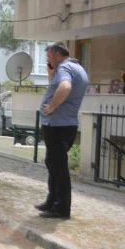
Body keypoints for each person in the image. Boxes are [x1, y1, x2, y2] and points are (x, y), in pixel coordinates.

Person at [36, 42, 88, 220]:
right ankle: (52, 201)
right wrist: (52, 74)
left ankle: (61, 208)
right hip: (66, 124)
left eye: (50, 56)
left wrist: (51, 106)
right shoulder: (77, 67)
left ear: (58, 54)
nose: (48, 59)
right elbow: (59, 85)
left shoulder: (65, 68)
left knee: (59, 168)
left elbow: (65, 87)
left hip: (57, 125)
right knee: (53, 163)